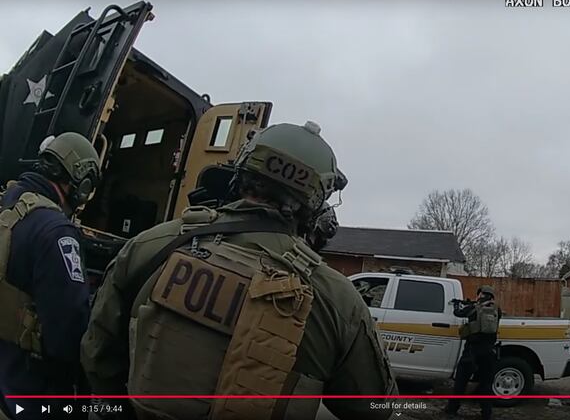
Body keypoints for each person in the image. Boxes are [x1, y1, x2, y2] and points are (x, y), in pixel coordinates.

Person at [81, 121, 397, 420]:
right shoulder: (336, 300)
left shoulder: (153, 244)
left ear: (242, 171)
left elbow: (97, 355)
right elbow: (375, 408)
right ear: (314, 203)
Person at [0, 133, 101, 418]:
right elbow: (68, 330)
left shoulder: (6, 203)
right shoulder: (56, 232)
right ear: (82, 184)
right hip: (25, 392)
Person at [446, 285, 502, 420]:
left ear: (481, 294)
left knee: (461, 382)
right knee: (486, 384)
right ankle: (486, 413)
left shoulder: (473, 309)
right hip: (489, 352)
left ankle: (452, 409)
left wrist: (456, 305)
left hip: (472, 352)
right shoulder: (496, 310)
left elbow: (458, 313)